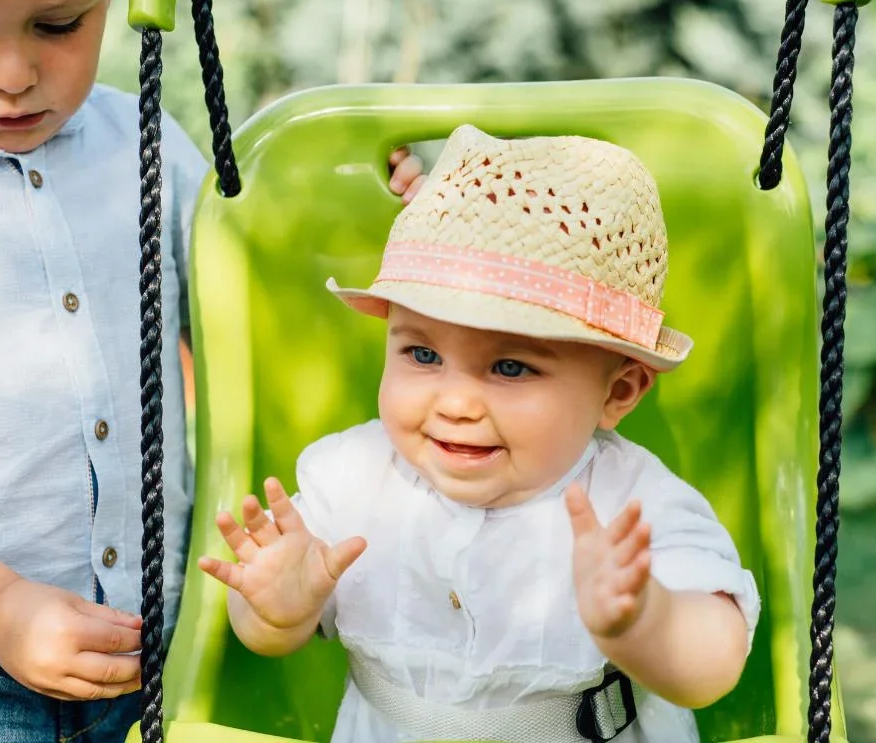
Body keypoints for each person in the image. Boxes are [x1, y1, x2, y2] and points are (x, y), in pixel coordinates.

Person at [0, 0, 425, 741]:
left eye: (59, 25)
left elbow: (262, 309)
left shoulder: (147, 143)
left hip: (150, 638)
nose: (13, 75)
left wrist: (367, 220)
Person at [196, 124, 763, 742]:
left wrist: (641, 622)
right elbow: (265, 632)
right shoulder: (352, 481)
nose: (457, 402)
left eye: (511, 367)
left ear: (618, 391)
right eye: (421, 355)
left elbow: (714, 661)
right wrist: (279, 607)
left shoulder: (630, 506)